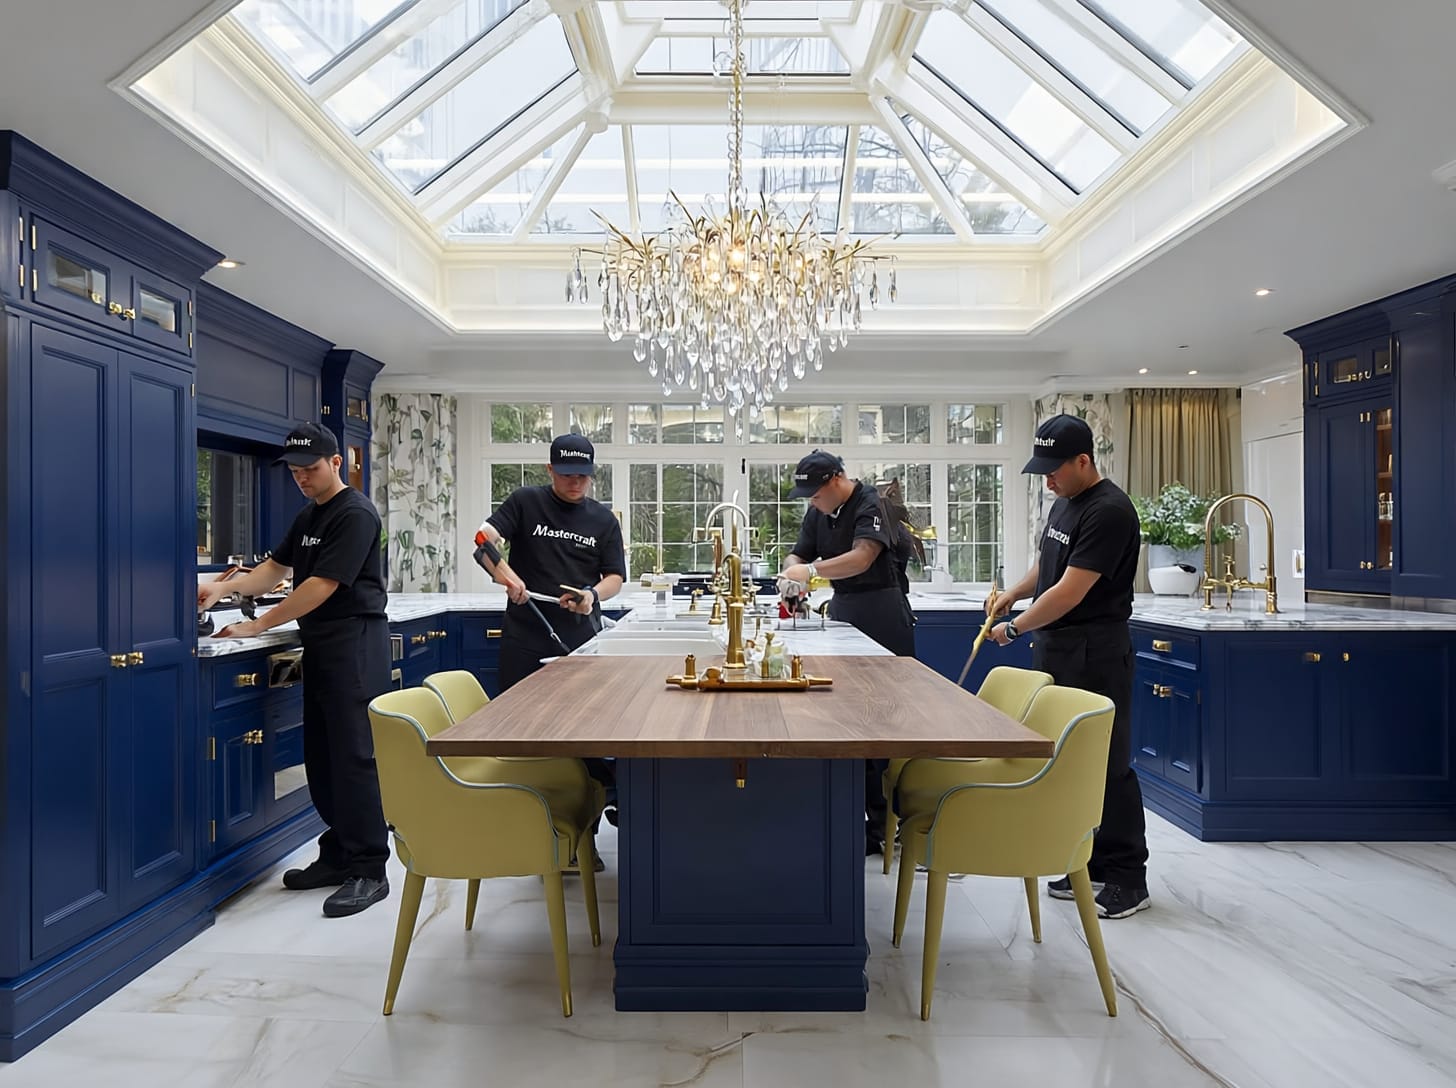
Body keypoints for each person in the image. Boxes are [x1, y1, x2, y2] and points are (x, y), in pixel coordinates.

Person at [198, 422, 391, 918]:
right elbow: (275, 569)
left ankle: (370, 868)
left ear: (336, 463)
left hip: (354, 642)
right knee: (321, 757)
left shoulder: (355, 513)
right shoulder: (309, 515)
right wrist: (224, 589)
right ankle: (339, 854)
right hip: (323, 645)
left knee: (353, 760)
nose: (302, 478)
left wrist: (258, 622)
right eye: (295, 472)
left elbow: (320, 586)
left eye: (310, 469)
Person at [987, 414, 1150, 919]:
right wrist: (1014, 594)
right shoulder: (1066, 503)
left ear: (1084, 460)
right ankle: (1090, 861)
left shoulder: (1110, 511)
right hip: (1058, 646)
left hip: (1095, 649)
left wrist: (1016, 628)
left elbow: (1071, 590)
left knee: (1107, 762)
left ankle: (1128, 876)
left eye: (1054, 469)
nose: (1047, 479)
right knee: (1067, 760)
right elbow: (1048, 567)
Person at [471, 434, 626, 842]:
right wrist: (507, 577)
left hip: (579, 644)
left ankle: (583, 831)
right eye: (567, 474)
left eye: (584, 476)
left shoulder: (603, 521)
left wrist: (592, 596)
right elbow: (483, 541)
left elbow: (615, 578)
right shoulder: (525, 503)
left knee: (582, 737)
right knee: (525, 735)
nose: (576, 482)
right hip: (525, 639)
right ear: (550, 470)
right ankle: (531, 831)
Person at [777, 450, 917, 856]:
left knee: (885, 722)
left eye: (815, 493)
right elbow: (799, 553)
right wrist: (792, 572)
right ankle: (859, 818)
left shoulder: (872, 503)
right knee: (848, 720)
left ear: (837, 479)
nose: (811, 501)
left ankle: (896, 822)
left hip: (882, 611)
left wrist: (813, 572)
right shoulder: (819, 510)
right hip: (844, 610)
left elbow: (862, 557)